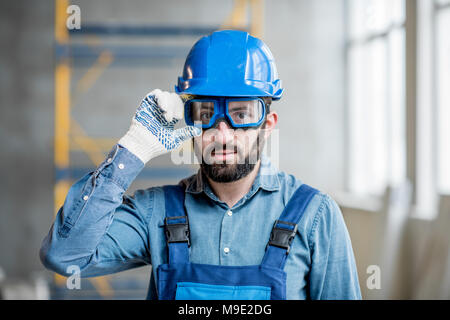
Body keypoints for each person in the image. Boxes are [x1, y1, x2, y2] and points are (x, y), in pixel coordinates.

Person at [40, 30, 361, 300]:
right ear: (189, 120)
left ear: (268, 123)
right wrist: (132, 150)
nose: (222, 132)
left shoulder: (315, 216)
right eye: (206, 115)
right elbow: (64, 255)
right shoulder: (157, 212)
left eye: (241, 115)